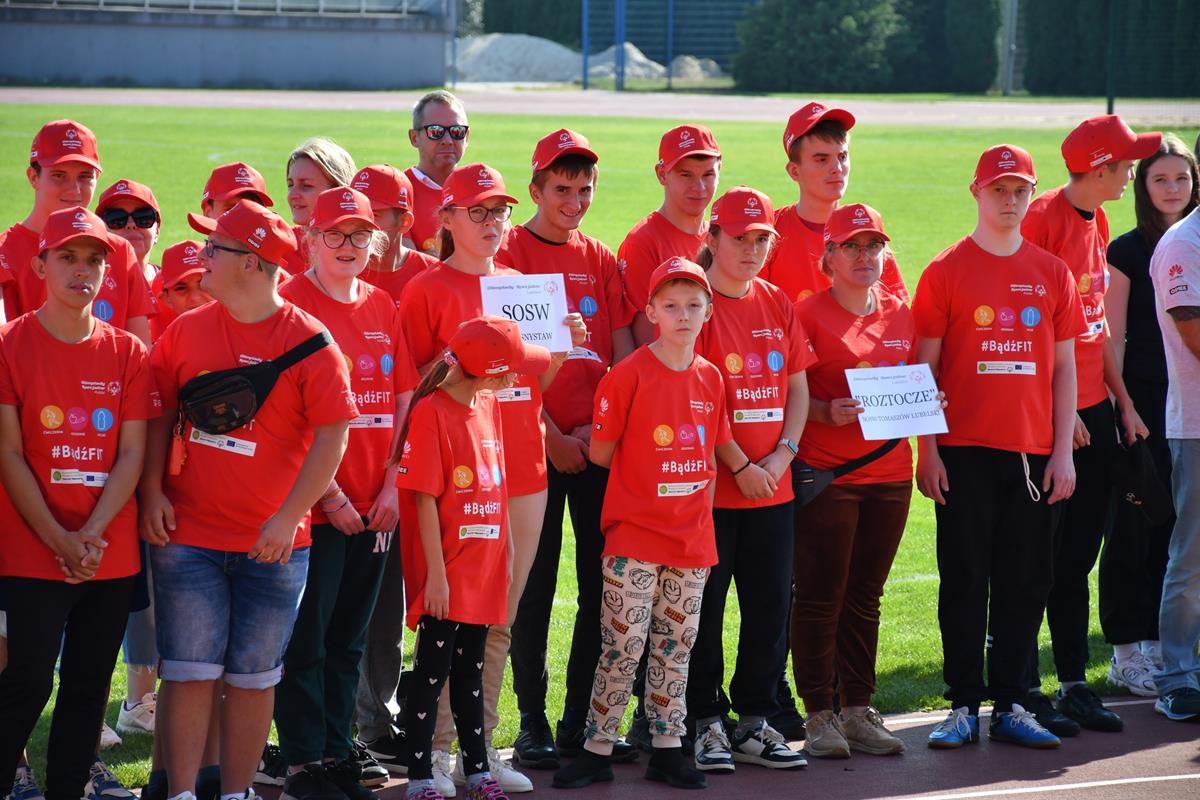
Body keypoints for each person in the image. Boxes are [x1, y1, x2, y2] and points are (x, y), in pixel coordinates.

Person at [139, 199, 358, 800]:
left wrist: (289, 517)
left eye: (215, 248)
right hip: (187, 537)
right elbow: (157, 415)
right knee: (187, 673)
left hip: (275, 545)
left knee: (255, 679)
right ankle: (182, 793)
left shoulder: (311, 341)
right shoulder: (186, 330)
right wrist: (152, 489)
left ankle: (236, 794)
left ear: (252, 263)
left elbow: (334, 434)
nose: (202, 256)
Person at [399, 163, 585, 796]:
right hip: (457, 475)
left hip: (522, 467)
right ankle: (437, 750)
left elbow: (535, 382)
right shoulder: (426, 289)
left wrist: (560, 349)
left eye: (499, 211)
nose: (491, 222)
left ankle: (480, 749)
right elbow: (416, 385)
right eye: (476, 211)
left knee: (500, 612)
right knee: (448, 614)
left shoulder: (522, 286)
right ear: (447, 219)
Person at [913, 144, 1085, 750]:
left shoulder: (1053, 273)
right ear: (977, 192)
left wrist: (1062, 452)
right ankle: (962, 704)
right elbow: (924, 370)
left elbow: (1065, 369)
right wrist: (928, 451)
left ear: (1031, 195)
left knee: (1026, 582)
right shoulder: (945, 270)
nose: (1009, 201)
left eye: (1020, 191)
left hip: (1034, 456)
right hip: (963, 452)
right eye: (999, 190)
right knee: (964, 580)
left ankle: (1013, 703)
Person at [552, 258, 742, 791]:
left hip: (691, 540)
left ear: (708, 311)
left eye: (694, 305)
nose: (683, 315)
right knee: (623, 646)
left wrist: (697, 514)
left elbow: (711, 451)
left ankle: (667, 748)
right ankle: (597, 748)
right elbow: (603, 452)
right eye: (671, 305)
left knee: (675, 649)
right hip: (633, 536)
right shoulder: (627, 374)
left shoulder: (711, 377)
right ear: (652, 312)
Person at [0, 207, 155, 800]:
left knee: (88, 688)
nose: (82, 270)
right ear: (41, 266)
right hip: (32, 548)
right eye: (67, 257)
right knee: (28, 681)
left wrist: (90, 533)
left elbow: (132, 453)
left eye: (93, 260)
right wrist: (59, 539)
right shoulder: (10, 345)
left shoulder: (127, 352)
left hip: (106, 551)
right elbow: (9, 454)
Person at [497, 129, 638, 771]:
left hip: (597, 450)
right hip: (534, 448)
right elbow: (503, 366)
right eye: (561, 188)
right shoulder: (508, 253)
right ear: (535, 190)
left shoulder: (600, 258)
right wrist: (550, 435)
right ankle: (531, 719)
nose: (574, 201)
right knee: (531, 585)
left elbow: (621, 359)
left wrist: (595, 434)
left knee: (600, 588)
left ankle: (580, 716)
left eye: (584, 189)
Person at [272, 187, 418, 800]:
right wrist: (329, 495)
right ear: (310, 239)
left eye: (359, 235)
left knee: (349, 639)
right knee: (308, 637)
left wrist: (392, 485)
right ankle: (305, 761)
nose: (348, 245)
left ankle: (338, 752)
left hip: (376, 504)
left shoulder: (382, 305)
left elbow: (405, 399)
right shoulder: (290, 304)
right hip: (317, 509)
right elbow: (288, 418)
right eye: (334, 234)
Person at [1019, 115, 1158, 737]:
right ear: (1100, 167)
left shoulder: (1097, 220)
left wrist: (1122, 401)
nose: (1132, 175)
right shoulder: (1042, 219)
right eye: (1126, 165)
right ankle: (1023, 687)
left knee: (1078, 555)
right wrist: (1063, 409)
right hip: (1055, 412)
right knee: (1039, 556)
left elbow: (1092, 324)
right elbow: (1031, 327)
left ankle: (1073, 683)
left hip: (1096, 406)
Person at [395, 315, 550, 800]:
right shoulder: (432, 411)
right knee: (431, 673)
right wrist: (436, 577)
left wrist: (504, 551)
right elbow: (423, 498)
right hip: (449, 571)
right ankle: (421, 776)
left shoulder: (488, 404)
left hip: (484, 566)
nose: (517, 377)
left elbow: (494, 484)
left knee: (471, 673)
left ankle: (479, 770)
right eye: (512, 369)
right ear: (490, 370)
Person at [687, 186, 812, 774]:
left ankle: (755, 721)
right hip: (712, 494)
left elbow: (797, 387)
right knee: (705, 613)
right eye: (739, 238)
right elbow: (695, 398)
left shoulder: (777, 302)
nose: (752, 249)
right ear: (712, 239)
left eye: (762, 238)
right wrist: (739, 465)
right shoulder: (696, 303)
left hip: (773, 490)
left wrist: (782, 458)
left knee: (768, 609)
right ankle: (705, 721)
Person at [790, 204, 923, 760]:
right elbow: (787, 393)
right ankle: (818, 714)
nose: (864, 256)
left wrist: (926, 400)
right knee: (820, 597)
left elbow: (916, 382)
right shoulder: (805, 314)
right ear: (830, 256)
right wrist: (825, 412)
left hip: (890, 476)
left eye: (873, 246)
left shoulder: (902, 314)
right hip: (827, 476)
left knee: (866, 596)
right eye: (851, 246)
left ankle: (858, 710)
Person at [1102, 136, 1198, 696]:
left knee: (1177, 530)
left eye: (1181, 178)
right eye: (1160, 179)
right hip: (1142, 404)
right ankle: (1123, 651)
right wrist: (1123, 406)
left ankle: (1162, 643)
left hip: (1187, 404)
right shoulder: (1127, 250)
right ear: (1142, 185)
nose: (1172, 188)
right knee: (1132, 527)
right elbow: (1111, 337)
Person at [96, 178, 164, 742]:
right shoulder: (90, 278)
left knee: (144, 586)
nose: (131, 228)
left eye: (142, 217)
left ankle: (140, 699)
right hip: (95, 444)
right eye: (116, 219)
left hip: (154, 453)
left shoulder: (178, 278)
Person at [0, 120, 154, 345]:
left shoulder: (120, 251)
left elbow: (141, 351)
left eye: (85, 176)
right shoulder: (4, 252)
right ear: (33, 177)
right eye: (59, 175)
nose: (74, 189)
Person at [761, 102, 908, 305]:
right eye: (822, 159)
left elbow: (895, 314)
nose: (837, 168)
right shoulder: (768, 233)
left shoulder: (868, 233)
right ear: (794, 171)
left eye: (842, 156)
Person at [1147, 189, 1200, 721]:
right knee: (1192, 559)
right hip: (1197, 427)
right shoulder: (1184, 243)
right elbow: (1194, 334)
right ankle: (1178, 679)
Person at [618, 125, 721, 345]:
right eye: (686, 175)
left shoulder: (722, 238)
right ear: (662, 174)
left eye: (708, 174)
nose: (699, 186)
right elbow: (645, 340)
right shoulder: (643, 242)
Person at [353, 164, 440, 310]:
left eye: (374, 215)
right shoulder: (339, 272)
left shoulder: (433, 274)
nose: (360, 223)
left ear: (404, 222)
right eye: (357, 213)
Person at [405, 91, 470, 256]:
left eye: (457, 131)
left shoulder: (481, 187)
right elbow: (406, 264)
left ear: (467, 137)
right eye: (435, 131)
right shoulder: (398, 190)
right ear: (414, 138)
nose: (447, 140)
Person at [284, 138, 357, 274]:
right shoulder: (278, 246)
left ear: (338, 189)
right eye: (290, 185)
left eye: (306, 186)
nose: (292, 195)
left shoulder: (362, 249)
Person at [97, 178, 162, 286]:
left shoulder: (176, 284)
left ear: (157, 231)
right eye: (117, 219)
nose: (131, 224)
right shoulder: (89, 288)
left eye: (143, 217)